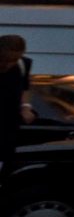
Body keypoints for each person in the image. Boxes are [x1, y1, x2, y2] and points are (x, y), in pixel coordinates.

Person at [0, 35, 31, 177]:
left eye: (14, 60)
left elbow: (25, 87)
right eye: (4, 59)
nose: (8, 64)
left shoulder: (23, 65)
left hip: (8, 123)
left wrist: (25, 107)